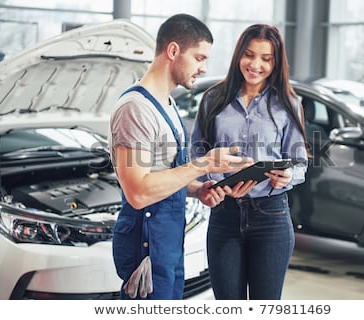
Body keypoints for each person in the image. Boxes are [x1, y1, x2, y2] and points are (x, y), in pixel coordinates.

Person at [108, 13, 253, 300]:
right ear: (173, 51)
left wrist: (198, 190)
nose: (204, 68)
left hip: (169, 243)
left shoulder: (169, 105)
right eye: (199, 58)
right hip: (145, 247)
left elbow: (162, 173)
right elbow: (138, 192)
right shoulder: (135, 109)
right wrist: (205, 164)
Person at [190, 24, 308, 300]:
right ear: (238, 56)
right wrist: (216, 184)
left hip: (271, 217)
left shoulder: (288, 103)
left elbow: (299, 161)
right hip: (224, 215)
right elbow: (197, 156)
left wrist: (288, 177)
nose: (255, 65)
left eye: (266, 59)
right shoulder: (213, 99)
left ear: (275, 63)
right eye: (249, 55)